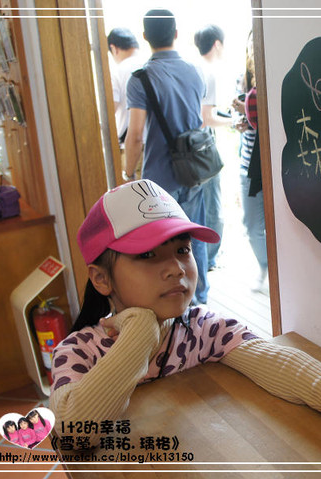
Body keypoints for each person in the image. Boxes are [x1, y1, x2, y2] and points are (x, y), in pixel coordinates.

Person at [49, 179, 321, 479]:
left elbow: (276, 361)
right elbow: (72, 433)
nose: (176, 268)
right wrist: (140, 333)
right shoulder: (79, 351)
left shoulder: (201, 329)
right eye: (147, 255)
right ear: (101, 278)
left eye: (182, 250)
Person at [124, 9, 211, 305]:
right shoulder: (194, 71)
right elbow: (198, 120)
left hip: (160, 179)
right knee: (194, 238)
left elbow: (136, 134)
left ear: (145, 36)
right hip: (194, 171)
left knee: (165, 248)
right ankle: (201, 300)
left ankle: (179, 306)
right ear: (175, 33)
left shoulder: (141, 79)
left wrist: (128, 173)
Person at [193, 24, 233, 271]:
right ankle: (210, 258)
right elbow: (206, 118)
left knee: (202, 204)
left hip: (189, 149)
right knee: (213, 205)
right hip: (204, 147)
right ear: (217, 44)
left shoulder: (193, 68)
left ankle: (204, 258)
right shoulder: (209, 72)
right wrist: (234, 121)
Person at [232, 31, 268, 292]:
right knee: (252, 225)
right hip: (248, 164)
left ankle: (275, 269)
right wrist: (240, 119)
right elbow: (238, 120)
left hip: (273, 163)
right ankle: (266, 266)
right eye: (250, 46)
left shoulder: (272, 75)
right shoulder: (243, 81)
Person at [107, 27, 145, 180]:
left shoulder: (118, 72)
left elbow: (110, 110)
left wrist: (128, 173)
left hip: (132, 148)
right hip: (159, 149)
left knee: (136, 193)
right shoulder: (152, 64)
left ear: (114, 48)